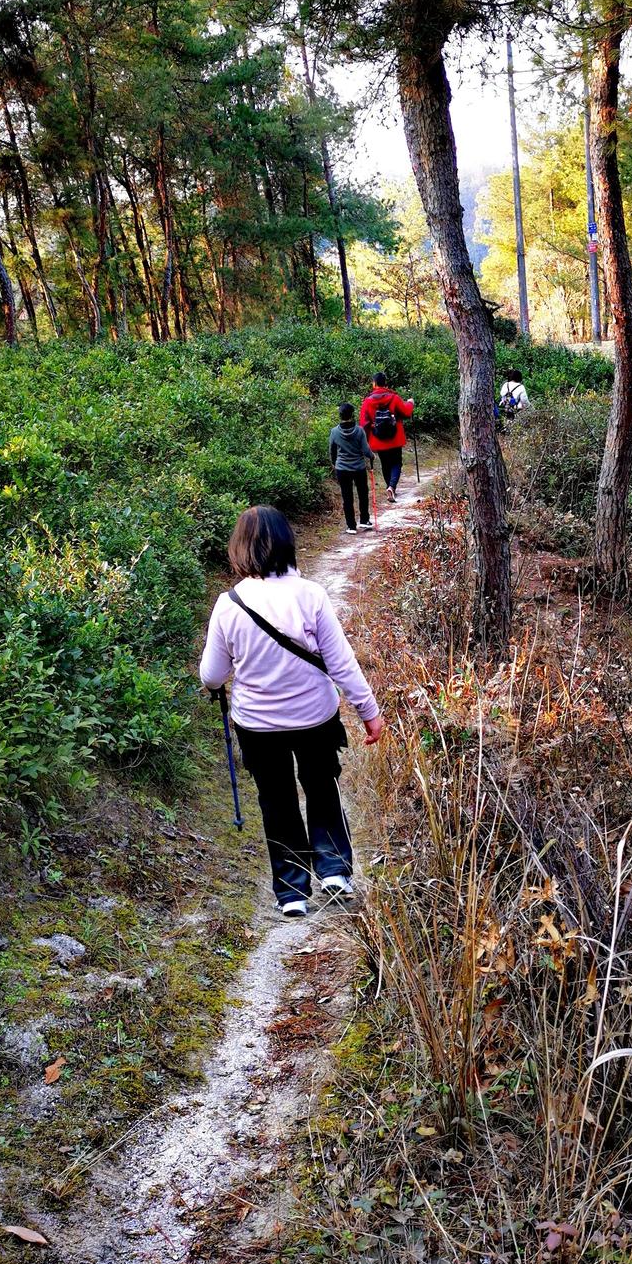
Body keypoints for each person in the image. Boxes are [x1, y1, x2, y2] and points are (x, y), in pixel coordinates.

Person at [200, 506, 384, 917]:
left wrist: (225, 678)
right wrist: (368, 711)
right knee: (322, 787)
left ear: (239, 548)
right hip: (315, 718)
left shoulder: (228, 605)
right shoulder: (310, 595)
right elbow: (341, 663)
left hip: (258, 726)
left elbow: (213, 674)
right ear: (287, 543)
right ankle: (335, 872)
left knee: (276, 800)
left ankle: (292, 892)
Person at [360, 372, 415, 502]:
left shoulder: (368, 401)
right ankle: (392, 487)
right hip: (395, 437)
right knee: (396, 462)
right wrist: (410, 403)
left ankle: (390, 488)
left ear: (374, 384)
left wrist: (365, 442)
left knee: (385, 464)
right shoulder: (394, 398)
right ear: (385, 383)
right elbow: (406, 412)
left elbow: (363, 423)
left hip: (378, 439)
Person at [329, 403, 375, 534]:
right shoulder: (359, 431)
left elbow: (332, 451)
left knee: (347, 496)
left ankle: (351, 526)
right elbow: (366, 451)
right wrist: (372, 456)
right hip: (359, 467)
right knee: (362, 494)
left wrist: (334, 463)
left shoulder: (334, 432)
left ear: (340, 415)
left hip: (342, 468)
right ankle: (364, 520)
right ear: (352, 414)